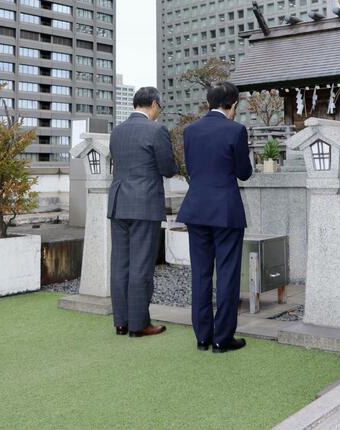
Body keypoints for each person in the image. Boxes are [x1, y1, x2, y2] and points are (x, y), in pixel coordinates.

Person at [177, 81, 253, 353]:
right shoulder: (236, 130)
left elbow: (193, 167)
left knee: (200, 274)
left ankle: (202, 336)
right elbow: (244, 172)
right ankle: (222, 338)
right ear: (232, 104)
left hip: (196, 208)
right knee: (227, 274)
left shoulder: (190, 130)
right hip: (226, 210)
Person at [108, 86, 178, 337]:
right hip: (144, 203)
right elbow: (168, 168)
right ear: (155, 104)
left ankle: (121, 322)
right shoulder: (157, 130)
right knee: (141, 265)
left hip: (118, 204)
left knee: (120, 264)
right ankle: (139, 324)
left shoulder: (117, 131)